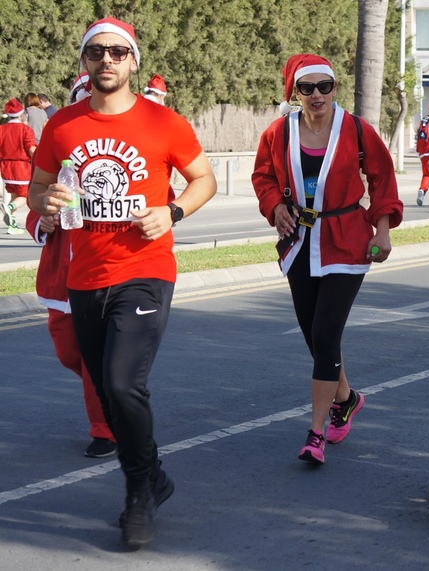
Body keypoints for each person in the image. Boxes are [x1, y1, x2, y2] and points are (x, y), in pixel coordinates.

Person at [27, 16, 217, 548]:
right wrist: (47, 203)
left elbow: (205, 178)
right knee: (107, 395)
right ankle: (154, 474)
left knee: (120, 382)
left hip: (145, 271)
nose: (106, 60)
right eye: (96, 53)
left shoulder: (164, 122)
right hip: (83, 277)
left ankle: (138, 493)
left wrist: (173, 211)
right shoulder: (61, 126)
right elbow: (37, 192)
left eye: (116, 52)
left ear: (133, 60)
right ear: (84, 63)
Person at [252, 53, 403, 466]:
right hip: (299, 241)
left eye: (326, 86)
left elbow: (382, 177)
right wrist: (274, 207)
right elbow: (262, 175)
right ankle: (348, 397)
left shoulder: (356, 129)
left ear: (335, 88)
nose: (317, 95)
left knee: (326, 333)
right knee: (314, 336)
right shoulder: (278, 132)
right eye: (307, 88)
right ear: (294, 92)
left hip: (346, 240)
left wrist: (383, 229)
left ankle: (315, 433)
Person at [25, 208, 116, 458]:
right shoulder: (54, 171)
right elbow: (37, 203)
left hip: (103, 276)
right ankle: (117, 391)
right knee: (67, 354)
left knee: (92, 361)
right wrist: (42, 221)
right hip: (60, 281)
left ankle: (104, 430)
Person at [0, 98, 36, 235]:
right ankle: (9, 207)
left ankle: (12, 224)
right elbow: (31, 149)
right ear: (21, 115)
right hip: (21, 166)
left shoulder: (2, 129)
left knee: (15, 194)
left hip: (5, 167)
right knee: (25, 196)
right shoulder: (25, 129)